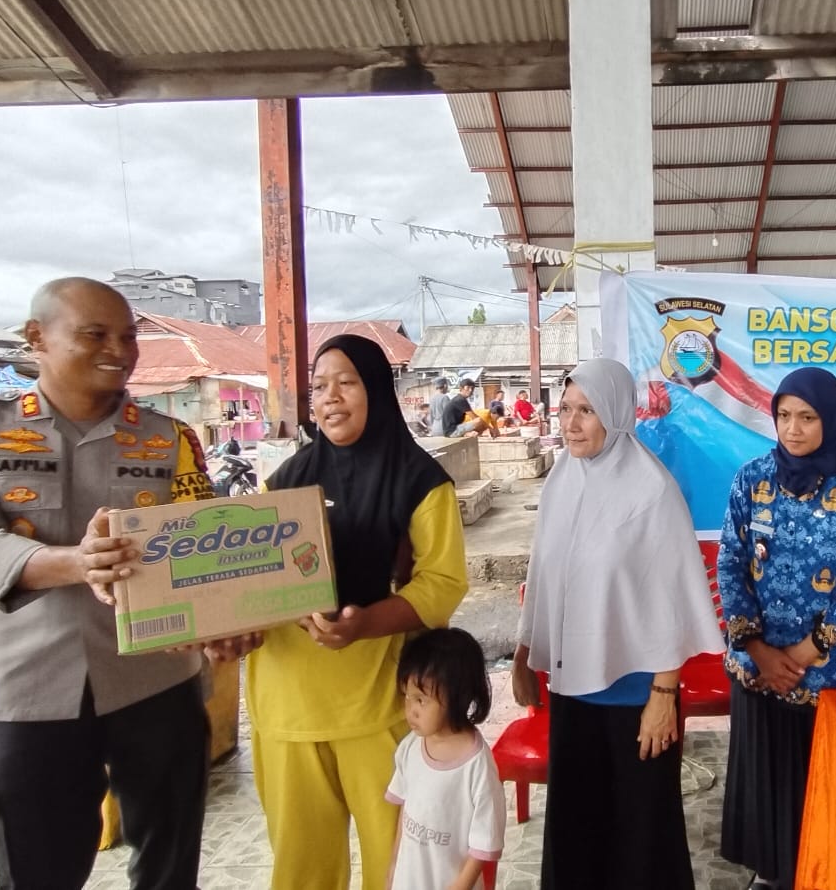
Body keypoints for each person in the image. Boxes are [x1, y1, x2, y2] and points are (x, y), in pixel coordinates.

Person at [0, 277, 215, 889]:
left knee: (170, 865)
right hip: (30, 688)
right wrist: (78, 562)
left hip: (157, 678)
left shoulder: (169, 438)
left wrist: (228, 617)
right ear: (37, 337)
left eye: (128, 336)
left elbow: (204, 539)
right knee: (35, 869)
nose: (119, 351)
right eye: (95, 334)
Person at [249, 334, 468, 889]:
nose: (330, 397)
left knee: (395, 864)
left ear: (375, 388)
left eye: (346, 382)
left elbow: (442, 583)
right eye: (319, 386)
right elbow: (248, 578)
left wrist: (365, 624)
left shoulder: (420, 481)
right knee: (301, 869)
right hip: (288, 705)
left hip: (379, 705)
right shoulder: (281, 483)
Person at [512, 357, 724, 890]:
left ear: (615, 412)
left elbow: (672, 601)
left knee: (640, 835)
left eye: (586, 410)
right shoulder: (562, 480)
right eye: (565, 409)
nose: (571, 423)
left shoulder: (651, 491)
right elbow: (543, 576)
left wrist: (664, 696)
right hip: (572, 688)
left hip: (636, 697)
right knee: (577, 827)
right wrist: (524, 653)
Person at [716, 367, 836, 890]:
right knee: (769, 789)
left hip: (832, 674)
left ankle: (826, 875)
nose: (792, 429)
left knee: (828, 793)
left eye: (808, 417)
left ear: (831, 419)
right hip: (759, 668)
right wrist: (756, 648)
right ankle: (773, 874)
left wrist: (807, 650)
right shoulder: (752, 479)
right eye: (784, 416)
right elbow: (731, 562)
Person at [386, 628, 506, 890]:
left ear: (457, 697)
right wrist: (394, 867)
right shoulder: (410, 747)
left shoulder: (477, 766)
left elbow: (484, 841)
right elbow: (405, 810)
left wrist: (460, 886)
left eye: (421, 700)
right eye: (407, 697)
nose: (410, 710)